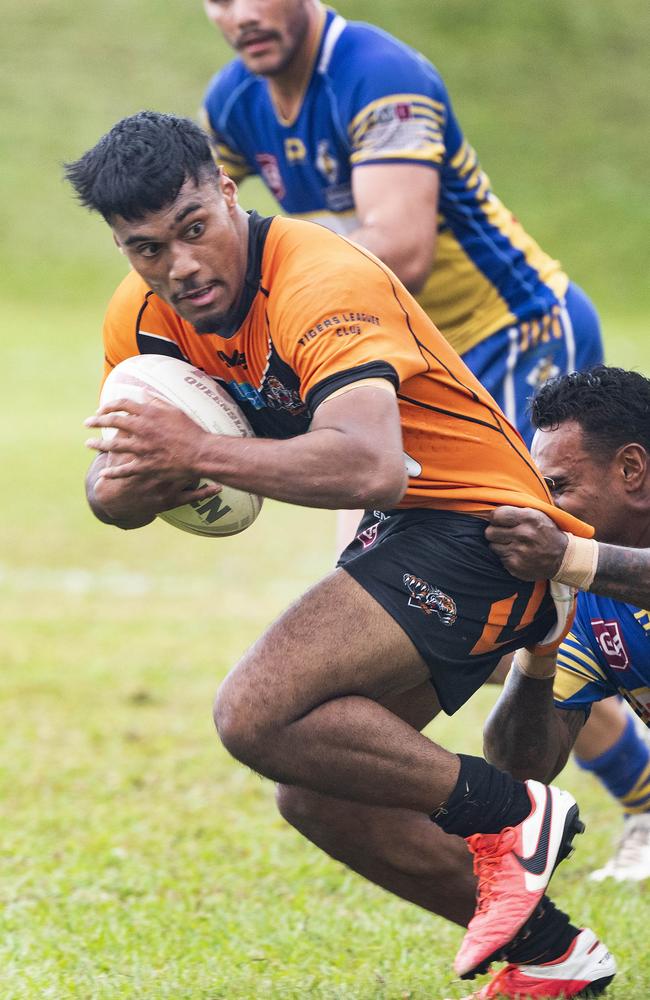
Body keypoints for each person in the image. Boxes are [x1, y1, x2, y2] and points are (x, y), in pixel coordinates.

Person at [65, 111, 615, 998]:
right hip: (410, 537)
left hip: (485, 528)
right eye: (147, 249)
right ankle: (554, 956)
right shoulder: (143, 318)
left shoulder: (319, 274)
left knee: (253, 713)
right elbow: (109, 492)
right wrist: (133, 481)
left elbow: (372, 464)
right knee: (317, 789)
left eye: (194, 229)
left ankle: (513, 812)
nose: (182, 267)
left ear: (228, 196)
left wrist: (196, 453)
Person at [199, 0, 648, 844]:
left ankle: (629, 790)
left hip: (507, 336)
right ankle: (539, 790)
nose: (239, 13)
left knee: (500, 571)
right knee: (374, 594)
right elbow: (205, 224)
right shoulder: (233, 100)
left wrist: (281, 288)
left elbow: (398, 248)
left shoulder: (380, 75)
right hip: (396, 366)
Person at [485, 366, 650, 885]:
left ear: (630, 469)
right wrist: (540, 644)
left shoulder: (577, 563)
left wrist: (567, 557)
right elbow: (521, 766)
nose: (542, 509)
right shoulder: (589, 605)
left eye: (556, 487)